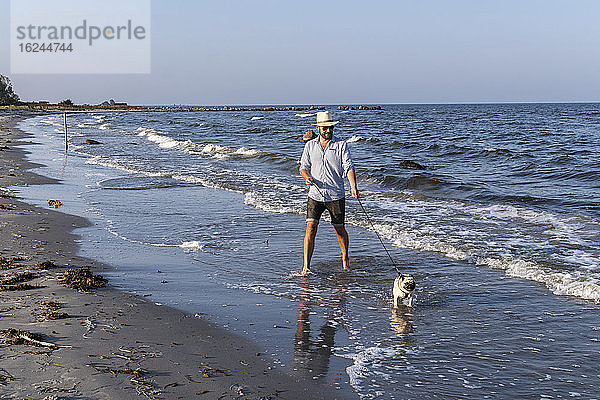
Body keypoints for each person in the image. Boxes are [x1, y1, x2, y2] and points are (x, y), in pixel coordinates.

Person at [299, 111, 359, 275]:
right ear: (318, 127)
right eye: (325, 128)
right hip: (315, 195)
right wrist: (307, 177)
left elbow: (349, 167)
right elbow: (303, 167)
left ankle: (345, 259)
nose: (328, 130)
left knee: (339, 229)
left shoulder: (341, 145)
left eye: (330, 127)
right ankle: (306, 266)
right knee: (311, 228)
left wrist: (353, 186)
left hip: (335, 194)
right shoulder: (310, 146)